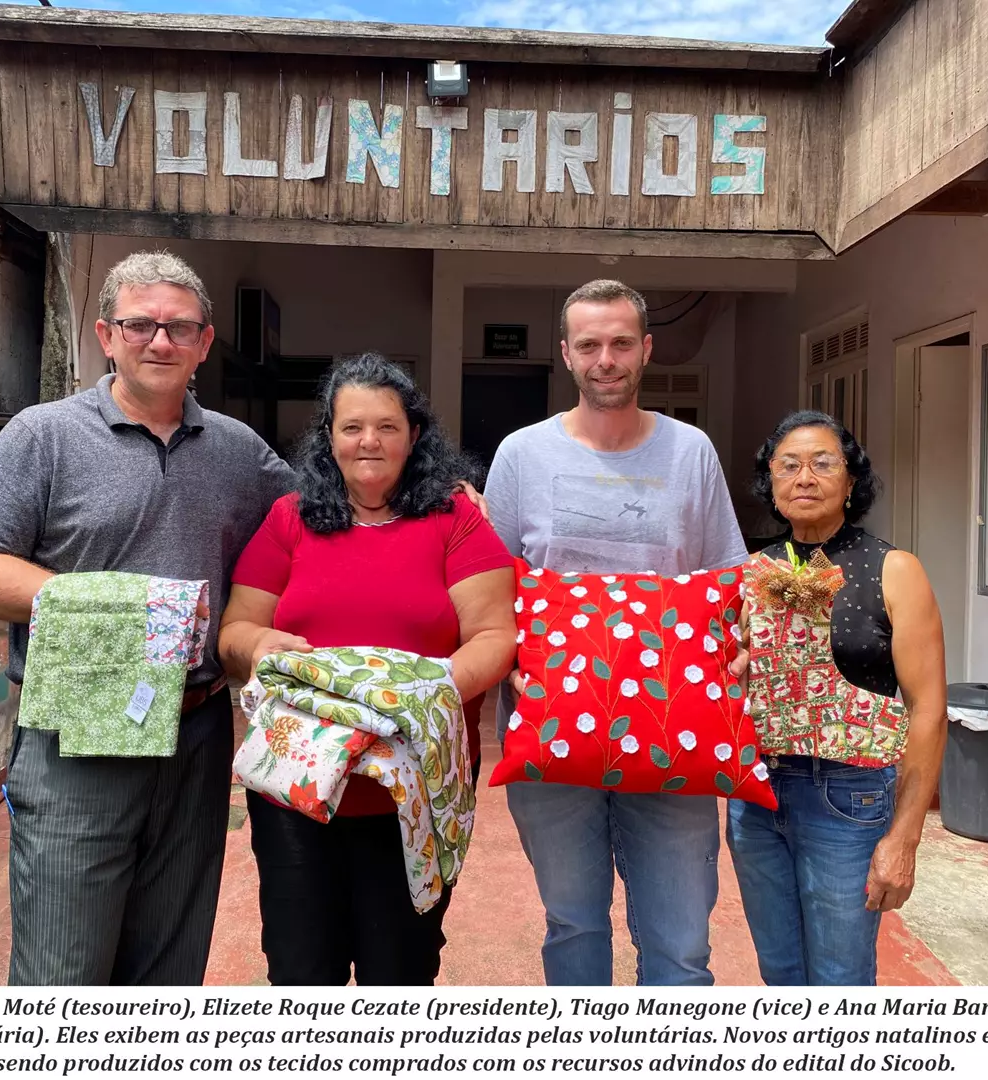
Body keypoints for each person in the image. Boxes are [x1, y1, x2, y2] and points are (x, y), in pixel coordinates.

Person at [0, 250, 297, 985]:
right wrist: (121, 612)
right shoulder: (44, 435)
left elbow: (320, 524)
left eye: (178, 328)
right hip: (78, 729)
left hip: (195, 730)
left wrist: (443, 494)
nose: (158, 342)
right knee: (63, 971)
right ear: (106, 334)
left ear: (204, 341)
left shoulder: (238, 453)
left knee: (169, 966)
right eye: (139, 325)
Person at [218, 353, 516, 986]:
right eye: (352, 427)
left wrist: (414, 699)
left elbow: (494, 636)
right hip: (297, 790)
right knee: (301, 971)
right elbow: (236, 631)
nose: (369, 441)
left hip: (411, 793)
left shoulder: (454, 520)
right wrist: (261, 644)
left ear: (414, 435)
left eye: (387, 426)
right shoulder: (290, 519)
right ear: (329, 436)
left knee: (400, 973)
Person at [483, 279, 749, 986]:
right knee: (573, 924)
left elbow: (726, 580)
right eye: (591, 345)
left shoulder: (690, 452)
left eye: (621, 343)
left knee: (681, 945)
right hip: (552, 730)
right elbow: (495, 586)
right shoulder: (521, 454)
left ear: (646, 350)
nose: (607, 359)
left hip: (675, 732)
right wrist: (506, 659)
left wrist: (740, 658)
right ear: (566, 353)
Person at [729, 410, 947, 986]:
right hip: (756, 799)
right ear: (770, 483)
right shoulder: (751, 572)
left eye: (823, 464)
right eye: (789, 465)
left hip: (847, 801)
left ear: (852, 483)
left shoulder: (893, 570)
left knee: (840, 976)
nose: (805, 477)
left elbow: (928, 711)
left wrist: (904, 838)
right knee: (779, 970)